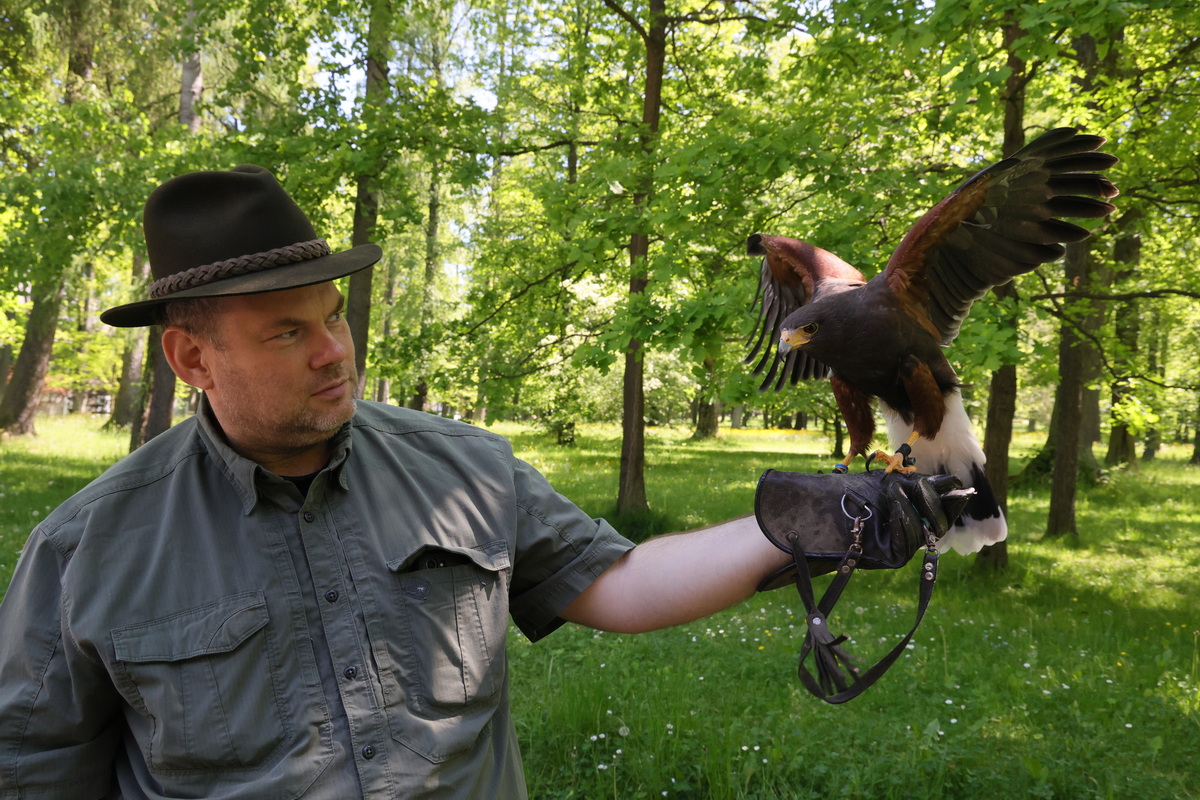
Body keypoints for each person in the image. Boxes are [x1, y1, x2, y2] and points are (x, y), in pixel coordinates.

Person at [0, 166, 961, 799]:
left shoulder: (462, 468)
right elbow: (33, 772)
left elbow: (617, 586)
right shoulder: (89, 552)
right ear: (190, 358)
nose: (335, 352)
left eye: (333, 315)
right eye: (286, 332)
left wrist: (806, 525)